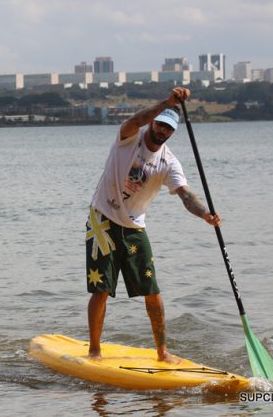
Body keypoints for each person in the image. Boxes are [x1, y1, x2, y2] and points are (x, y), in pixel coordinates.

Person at [86, 87, 221, 363]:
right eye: (159, 124)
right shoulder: (129, 137)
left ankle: (162, 352)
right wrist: (167, 103)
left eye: (168, 129)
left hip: (135, 227)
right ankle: (95, 350)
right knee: (102, 290)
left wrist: (205, 214)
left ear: (172, 132)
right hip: (103, 219)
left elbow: (185, 194)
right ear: (153, 122)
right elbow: (136, 120)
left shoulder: (169, 163)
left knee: (153, 292)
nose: (162, 131)